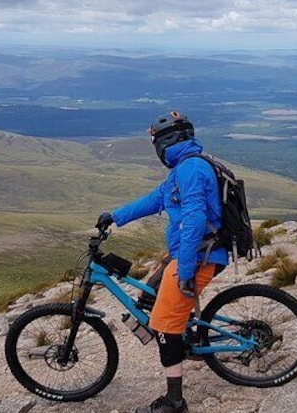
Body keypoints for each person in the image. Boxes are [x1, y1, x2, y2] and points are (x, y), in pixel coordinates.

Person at [97, 111, 228, 413]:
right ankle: (185, 333)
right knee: (148, 297)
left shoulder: (191, 170)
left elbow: (195, 219)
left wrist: (184, 272)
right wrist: (115, 217)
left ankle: (175, 402)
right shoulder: (184, 169)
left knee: (165, 327)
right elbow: (156, 200)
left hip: (198, 256)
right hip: (191, 253)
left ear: (166, 143)